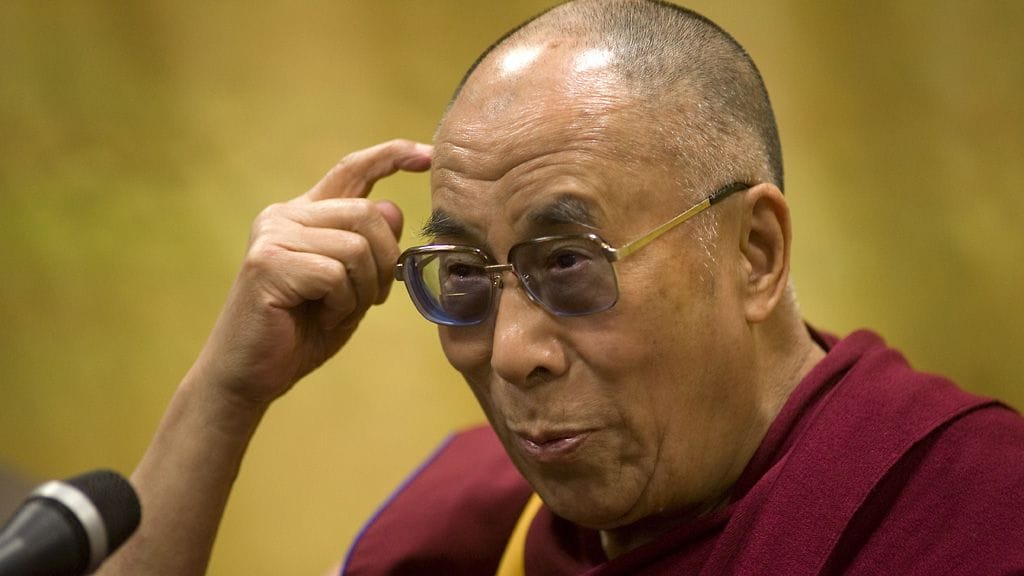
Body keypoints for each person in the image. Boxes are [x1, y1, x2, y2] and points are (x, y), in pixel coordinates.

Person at [97, 1, 1024, 575]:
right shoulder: (473, 522)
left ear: (755, 254)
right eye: (465, 274)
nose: (511, 354)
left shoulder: (972, 512)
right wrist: (226, 395)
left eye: (571, 262)